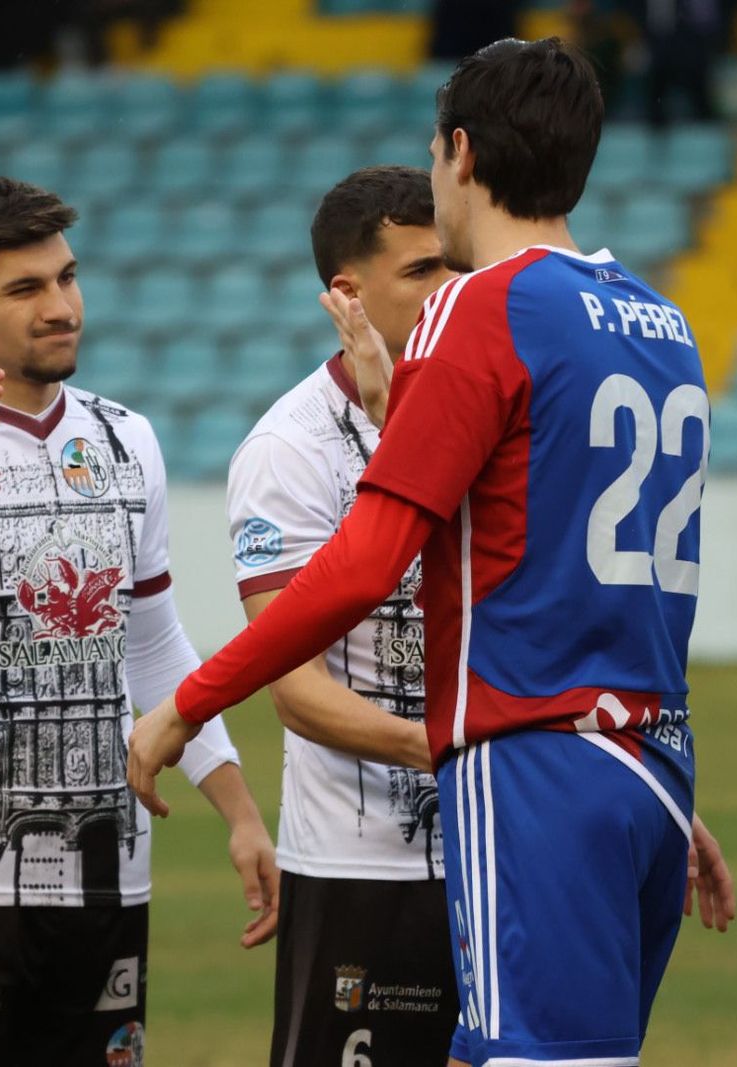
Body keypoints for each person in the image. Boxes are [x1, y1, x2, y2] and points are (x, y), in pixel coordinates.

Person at [127, 37, 735, 1067]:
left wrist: (187, 704)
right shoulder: (657, 317)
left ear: (460, 151)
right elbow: (537, 539)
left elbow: (367, 561)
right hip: (650, 765)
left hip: (532, 770)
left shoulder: (477, 302)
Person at [0, 178, 276, 1066]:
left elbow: (152, 648)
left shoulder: (127, 440)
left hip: (108, 882)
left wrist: (237, 810)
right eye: (25, 288)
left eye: (67, 278)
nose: (62, 306)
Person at [227, 165, 457, 1066]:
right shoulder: (291, 449)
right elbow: (294, 689)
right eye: (423, 271)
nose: (450, 290)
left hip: (506, 848)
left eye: (455, 267)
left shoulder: (491, 411)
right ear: (348, 294)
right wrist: (459, 744)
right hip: (363, 871)